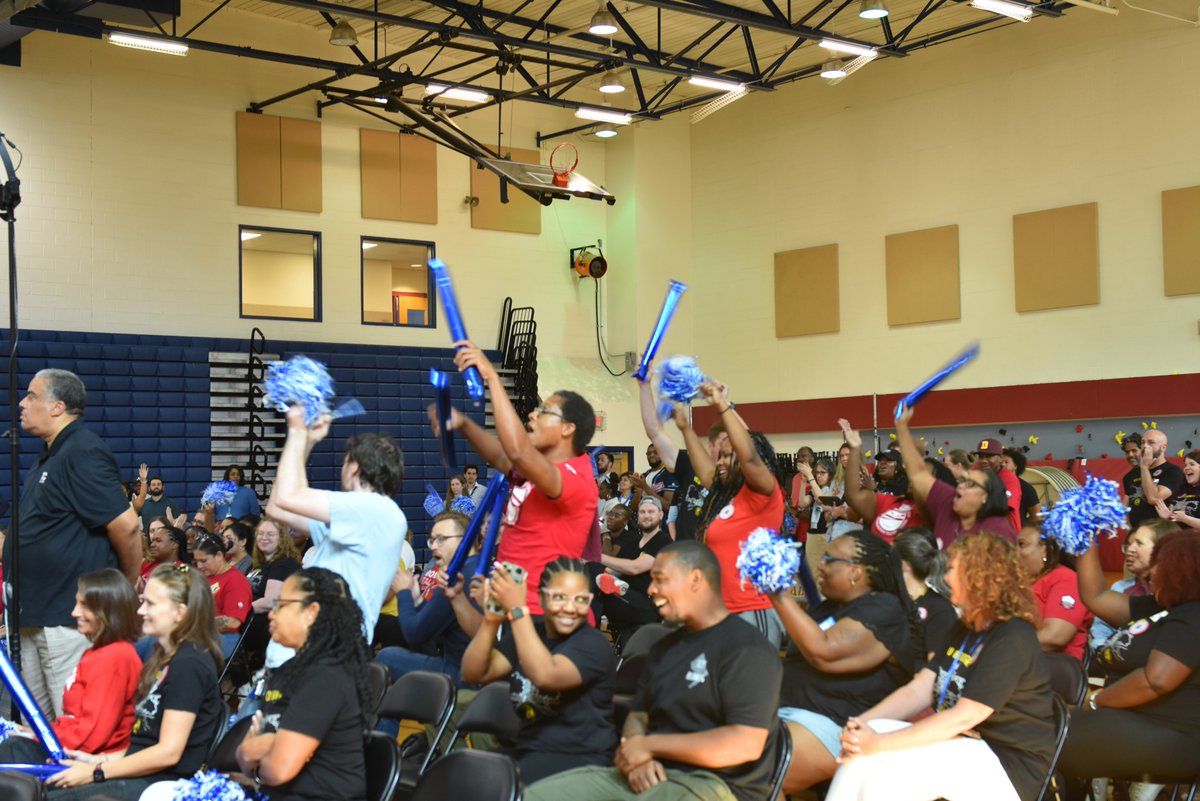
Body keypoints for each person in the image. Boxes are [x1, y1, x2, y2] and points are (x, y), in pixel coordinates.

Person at [525, 542, 782, 801]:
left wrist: (648, 745)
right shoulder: (663, 646)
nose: (651, 589)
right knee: (534, 796)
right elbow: (638, 715)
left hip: (714, 785)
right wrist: (637, 756)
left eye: (660, 580)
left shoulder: (748, 649)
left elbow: (744, 744)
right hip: (650, 774)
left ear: (695, 580)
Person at [827, 534, 1055, 801]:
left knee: (887, 774)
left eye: (951, 570)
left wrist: (876, 743)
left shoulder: (1013, 636)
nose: (945, 578)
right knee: (862, 750)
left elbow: (964, 716)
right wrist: (860, 726)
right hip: (964, 743)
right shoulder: (965, 626)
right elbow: (920, 689)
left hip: (1008, 764)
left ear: (980, 575)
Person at [9, 368, 141, 719]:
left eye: (32, 396)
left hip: (66, 615)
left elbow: (127, 526)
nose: (22, 403)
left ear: (57, 407)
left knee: (71, 720)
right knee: (37, 724)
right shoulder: (48, 456)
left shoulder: (82, 450)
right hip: (34, 612)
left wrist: (125, 586)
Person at [438, 340, 598, 614]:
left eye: (545, 411)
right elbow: (503, 458)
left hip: (540, 613)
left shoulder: (577, 476)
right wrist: (463, 423)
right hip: (507, 605)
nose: (533, 414)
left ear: (568, 429)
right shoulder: (539, 469)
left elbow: (516, 450)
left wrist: (491, 376)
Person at [44, 564, 224, 800]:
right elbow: (144, 743)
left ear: (179, 612)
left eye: (150, 604)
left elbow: (168, 753)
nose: (140, 611)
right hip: (141, 774)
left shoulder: (190, 665)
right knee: (40, 786)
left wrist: (96, 772)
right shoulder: (163, 658)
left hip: (161, 785)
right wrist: (98, 760)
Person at [769, 530, 921, 795]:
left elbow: (824, 653)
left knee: (755, 772)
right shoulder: (827, 607)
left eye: (830, 559)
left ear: (856, 572)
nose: (820, 564)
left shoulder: (885, 608)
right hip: (786, 711)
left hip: (835, 725)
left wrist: (777, 592)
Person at [1060, 528, 1200, 798]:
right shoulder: (1157, 607)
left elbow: (1156, 680)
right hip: (1132, 719)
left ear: (1181, 569)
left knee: (1051, 737)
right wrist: (1085, 538)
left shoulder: (1193, 615)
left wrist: (1095, 701)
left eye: (1159, 563)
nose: (1150, 572)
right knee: (1044, 729)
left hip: (1174, 735)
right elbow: (1096, 596)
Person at [266, 405, 406, 664]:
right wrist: (305, 441)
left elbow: (287, 496)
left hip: (325, 652)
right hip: (310, 649)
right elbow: (277, 506)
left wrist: (297, 431)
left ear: (354, 467)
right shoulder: (358, 517)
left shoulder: (374, 509)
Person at [461, 556, 617, 783]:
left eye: (581, 599)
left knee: (496, 788)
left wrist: (516, 610)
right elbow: (474, 673)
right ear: (542, 599)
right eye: (559, 597)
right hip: (529, 751)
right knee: (461, 779)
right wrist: (492, 620)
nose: (570, 608)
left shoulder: (593, 644)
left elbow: (546, 675)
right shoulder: (530, 633)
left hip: (580, 761)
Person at [233, 568, 371, 801]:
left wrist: (256, 748)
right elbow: (245, 759)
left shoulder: (326, 676)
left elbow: (277, 770)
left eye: (281, 605)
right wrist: (256, 749)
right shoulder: (287, 670)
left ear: (311, 612)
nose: (271, 614)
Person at [682, 381, 787, 647]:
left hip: (752, 610)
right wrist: (685, 428)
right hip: (719, 611)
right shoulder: (728, 495)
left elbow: (751, 456)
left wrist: (722, 405)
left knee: (749, 687)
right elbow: (705, 469)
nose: (720, 462)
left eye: (729, 456)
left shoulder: (765, 491)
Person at [0, 568, 141, 763]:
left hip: (85, 759)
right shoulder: (95, 652)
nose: (74, 612)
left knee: (12, 751)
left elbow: (90, 737)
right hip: (68, 746)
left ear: (106, 610)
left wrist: (37, 738)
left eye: (84, 606)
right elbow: (74, 723)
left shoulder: (115, 656)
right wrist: (34, 732)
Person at [375, 511, 482, 687]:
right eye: (432, 540)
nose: (433, 546)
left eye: (442, 539)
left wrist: (403, 592)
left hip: (461, 675)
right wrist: (416, 598)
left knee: (387, 656)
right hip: (477, 674)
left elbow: (414, 634)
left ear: (465, 540)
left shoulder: (455, 578)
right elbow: (431, 623)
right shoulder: (477, 568)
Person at [895, 407, 1014, 545]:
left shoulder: (998, 530)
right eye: (963, 481)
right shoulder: (948, 501)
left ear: (985, 496)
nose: (961, 486)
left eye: (969, 484)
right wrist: (901, 426)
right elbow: (918, 474)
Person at [592, 496, 673, 643]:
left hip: (646, 605)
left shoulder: (664, 541)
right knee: (593, 574)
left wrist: (596, 556)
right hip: (624, 600)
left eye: (651, 512)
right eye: (642, 512)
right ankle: (589, 636)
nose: (646, 516)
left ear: (660, 515)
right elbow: (612, 570)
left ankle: (589, 636)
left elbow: (635, 568)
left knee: (596, 573)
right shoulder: (633, 543)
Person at [1088, 520, 1170, 653]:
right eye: (1129, 545)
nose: (1129, 551)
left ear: (1162, 549)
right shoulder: (1120, 589)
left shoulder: (1177, 595)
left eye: (1139, 543)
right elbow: (1101, 630)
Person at [1015, 527, 1092, 662]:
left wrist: (1002, 648)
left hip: (1050, 667)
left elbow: (1055, 637)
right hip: (1017, 662)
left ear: (1045, 549)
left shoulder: (1066, 578)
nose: (1014, 551)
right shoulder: (1016, 582)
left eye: (1021, 544)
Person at [840, 420, 923, 545]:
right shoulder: (871, 483)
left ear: (898, 466)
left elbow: (892, 509)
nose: (883, 463)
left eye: (889, 461)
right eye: (880, 461)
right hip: (872, 544)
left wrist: (874, 491)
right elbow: (852, 515)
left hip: (899, 545)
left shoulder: (906, 486)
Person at [192, 533, 253, 659]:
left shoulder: (235, 580)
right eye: (196, 561)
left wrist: (194, 626)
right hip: (202, 633)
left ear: (219, 555)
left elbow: (232, 622)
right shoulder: (204, 576)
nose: (199, 566)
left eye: (203, 561)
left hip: (225, 638)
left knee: (183, 651)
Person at [1122, 429, 1184, 529]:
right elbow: (1125, 509)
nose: (1145, 446)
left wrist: (1144, 468)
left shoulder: (1173, 471)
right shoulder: (1130, 475)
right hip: (1138, 534)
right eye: (1143, 442)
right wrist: (1130, 532)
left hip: (1160, 533)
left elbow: (1154, 498)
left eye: (1151, 442)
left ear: (1163, 448)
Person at [974, 439, 1022, 534]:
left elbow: (1002, 507)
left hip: (1007, 534)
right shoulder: (980, 474)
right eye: (981, 456)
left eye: (989, 456)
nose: (983, 460)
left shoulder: (1009, 478)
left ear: (1000, 458)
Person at [1157, 449, 1200, 529]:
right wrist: (1167, 518)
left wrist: (1185, 519)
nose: (1186, 468)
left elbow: (1183, 519)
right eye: (1185, 465)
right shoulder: (1180, 491)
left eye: (1192, 464)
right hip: (1177, 539)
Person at [139, 521, 188, 588]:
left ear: (174, 545)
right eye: (152, 541)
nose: (152, 545)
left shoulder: (183, 568)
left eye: (158, 541)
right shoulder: (146, 564)